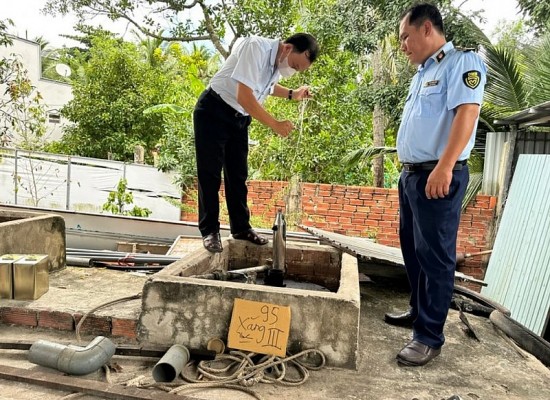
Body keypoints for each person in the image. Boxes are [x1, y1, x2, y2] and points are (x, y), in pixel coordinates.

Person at [384, 3, 487, 366]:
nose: (403, 46)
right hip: (412, 175)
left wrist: (444, 168)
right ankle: (418, 311)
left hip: (437, 175)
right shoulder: (422, 73)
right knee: (412, 250)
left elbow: (467, 113)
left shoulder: (462, 63)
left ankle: (429, 337)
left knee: (436, 257)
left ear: (426, 29)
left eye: (405, 37)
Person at [193, 33, 319, 253]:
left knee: (238, 175)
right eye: (296, 66)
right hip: (214, 110)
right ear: (288, 48)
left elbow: (267, 88)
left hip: (238, 118)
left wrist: (292, 94)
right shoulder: (256, 48)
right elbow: (245, 95)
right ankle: (210, 231)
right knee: (210, 174)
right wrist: (275, 124)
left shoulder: (275, 65)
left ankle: (241, 228)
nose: (293, 71)